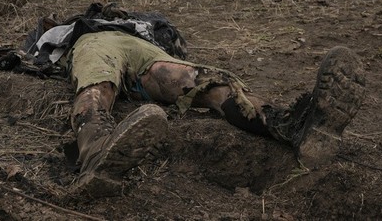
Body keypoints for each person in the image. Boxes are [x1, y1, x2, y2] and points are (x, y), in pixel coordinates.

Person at [66, 30, 366, 196]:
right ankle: (96, 150)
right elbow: (34, 49)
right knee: (98, 82)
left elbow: (178, 47)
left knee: (210, 84)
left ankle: (297, 128)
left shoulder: (150, 27)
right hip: (96, 41)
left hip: (149, 52)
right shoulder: (77, 28)